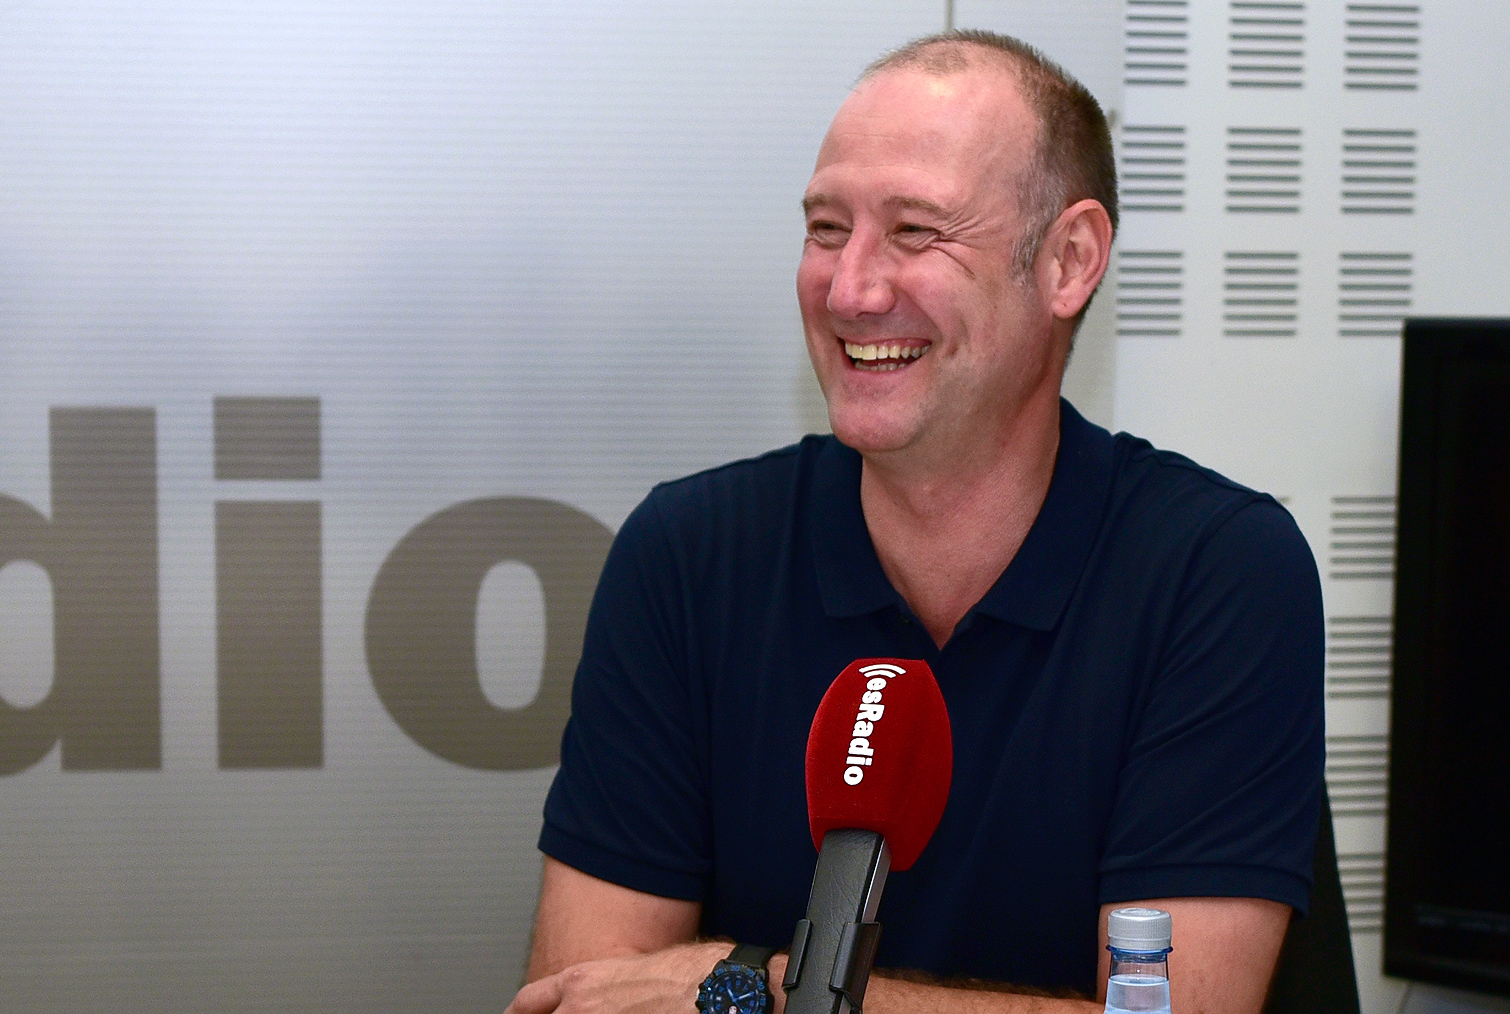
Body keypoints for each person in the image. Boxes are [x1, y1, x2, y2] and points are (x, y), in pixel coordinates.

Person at [505, 29, 1324, 1014]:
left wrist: (751, 990)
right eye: (825, 228)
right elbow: (583, 996)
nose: (849, 288)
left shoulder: (1214, 570)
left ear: (1068, 261)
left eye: (915, 232)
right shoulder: (689, 554)